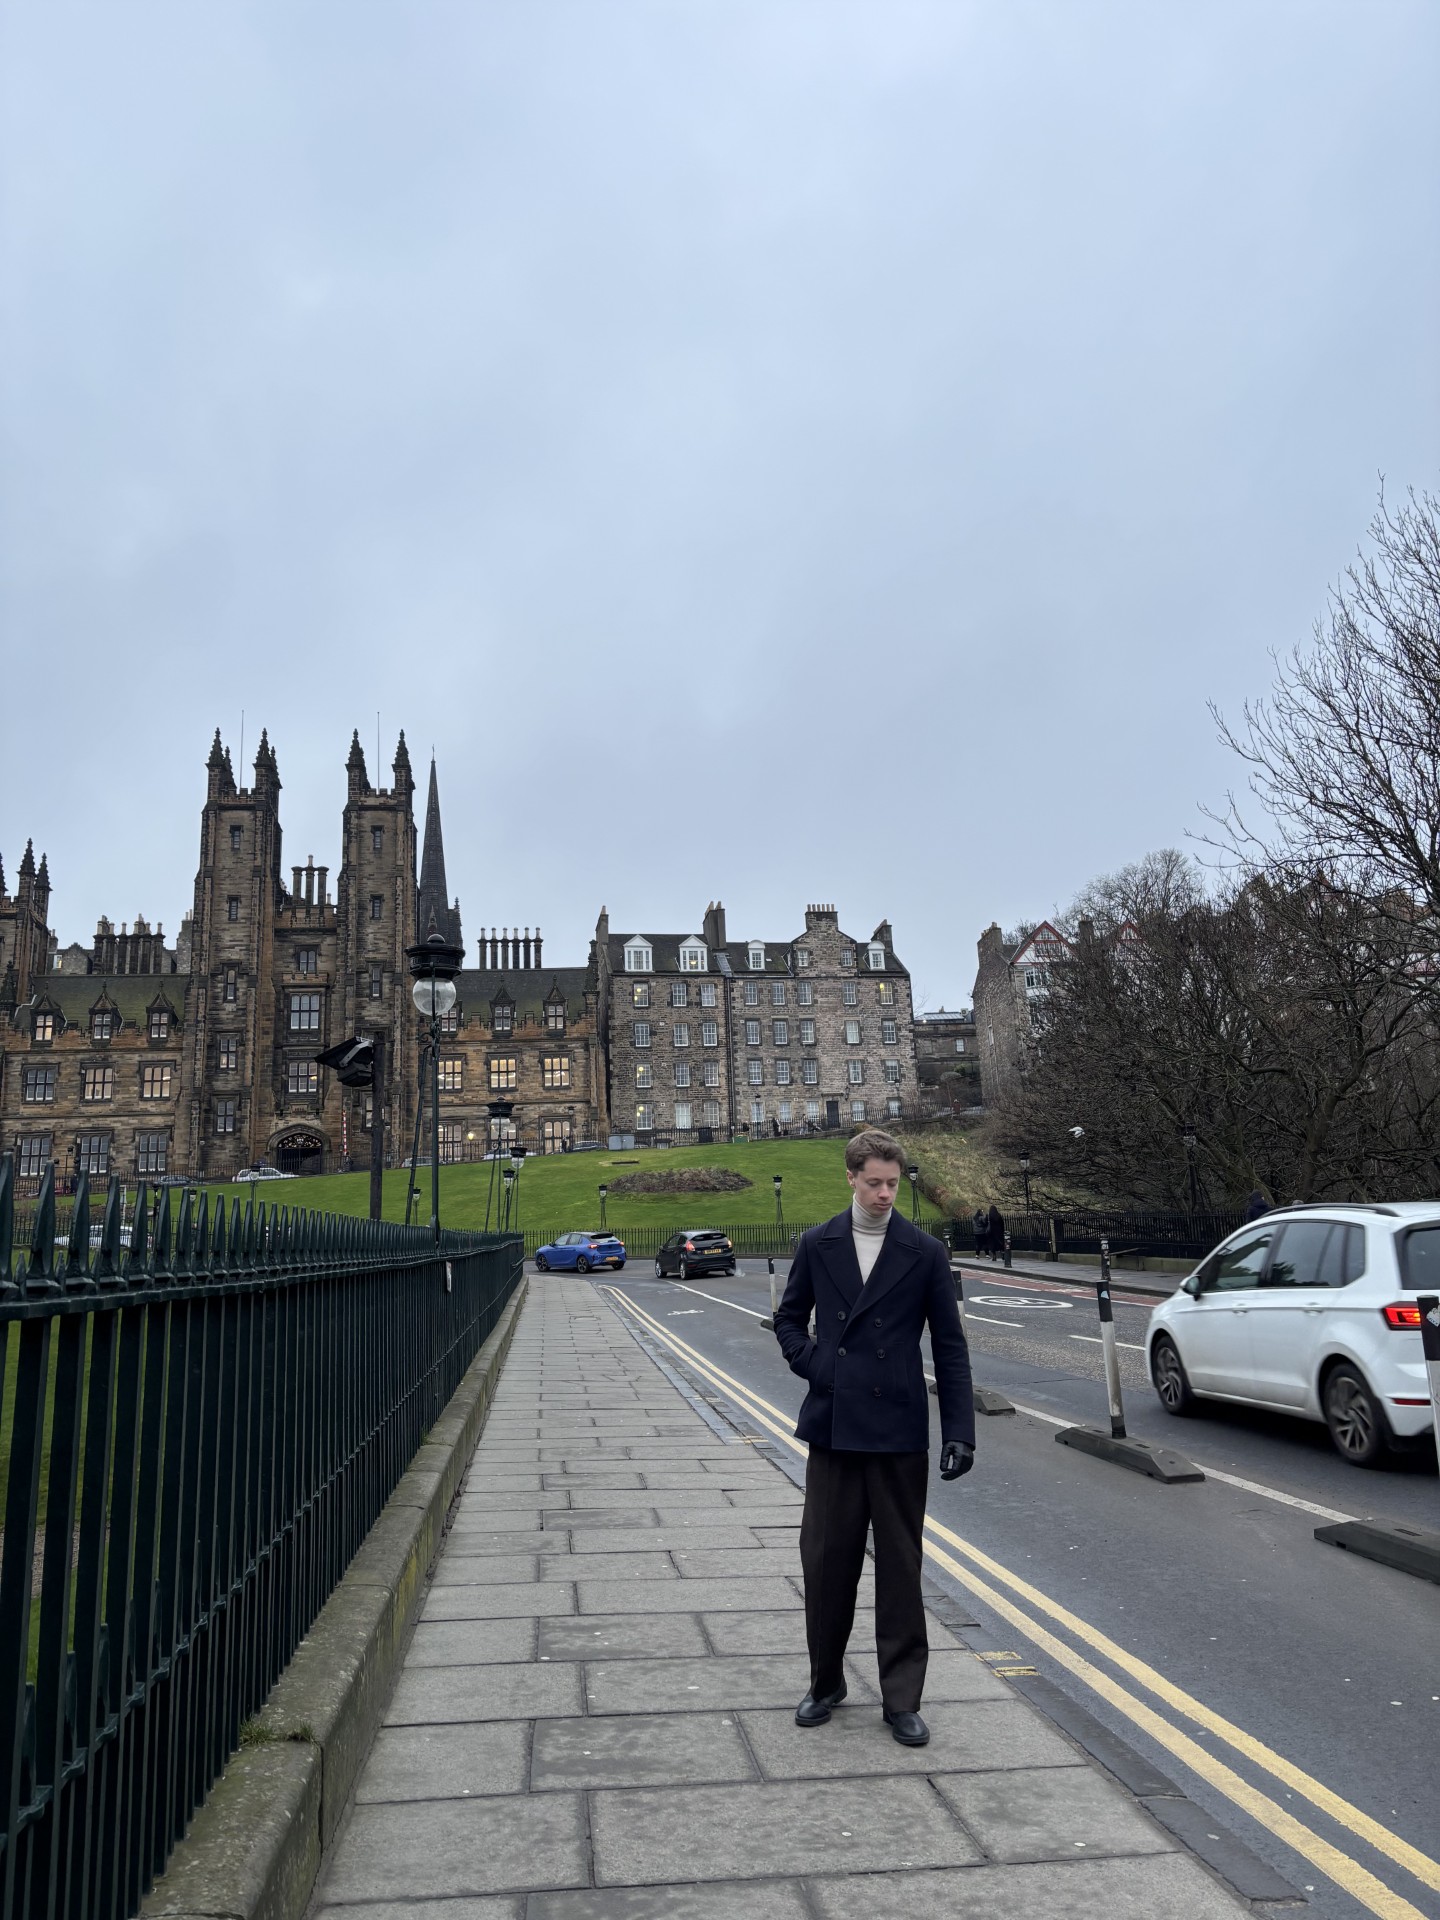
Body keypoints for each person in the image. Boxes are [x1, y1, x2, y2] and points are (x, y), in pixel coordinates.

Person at [773, 1128, 974, 1749]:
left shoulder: (924, 1251)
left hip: (898, 1429)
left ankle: (902, 1699)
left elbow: (949, 1344)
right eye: (874, 1183)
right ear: (852, 1178)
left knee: (901, 1566)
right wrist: (818, 1364)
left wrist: (961, 1430)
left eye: (893, 1183)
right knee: (826, 1562)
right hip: (834, 1427)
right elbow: (787, 1318)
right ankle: (826, 1681)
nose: (886, 1194)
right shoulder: (820, 1242)